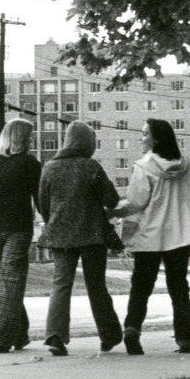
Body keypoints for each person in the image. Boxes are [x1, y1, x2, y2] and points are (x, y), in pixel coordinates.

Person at [116, 118, 190, 355]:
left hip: (149, 236)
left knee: (140, 287)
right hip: (180, 236)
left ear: (156, 139)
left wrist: (114, 212)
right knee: (179, 288)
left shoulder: (143, 167)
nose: (140, 139)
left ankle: (132, 329)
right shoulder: (186, 165)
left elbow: (135, 203)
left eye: (144, 134)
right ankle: (184, 338)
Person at [38, 120, 123, 356]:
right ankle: (109, 335)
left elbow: (43, 205)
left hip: (60, 235)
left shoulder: (50, 168)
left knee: (61, 284)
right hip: (91, 235)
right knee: (96, 286)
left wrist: (56, 219)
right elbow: (112, 200)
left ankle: (55, 336)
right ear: (88, 143)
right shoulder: (91, 166)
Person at [0, 118, 41, 353]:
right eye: (30, 136)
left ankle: (19, 334)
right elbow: (39, 198)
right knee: (10, 282)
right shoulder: (30, 163)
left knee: (5, 281)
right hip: (18, 228)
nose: (32, 140)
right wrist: (50, 222)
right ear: (21, 137)